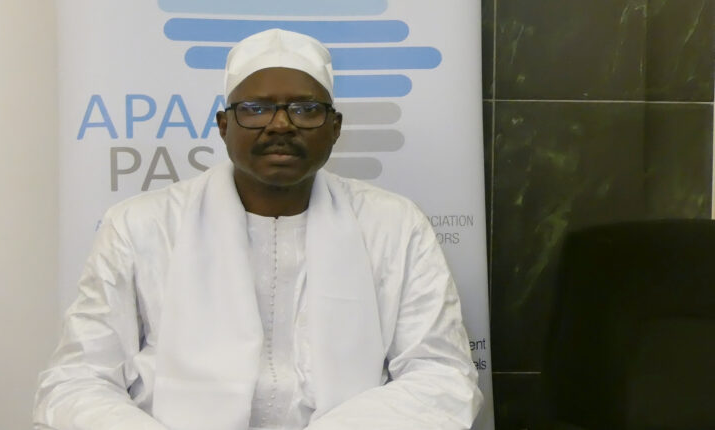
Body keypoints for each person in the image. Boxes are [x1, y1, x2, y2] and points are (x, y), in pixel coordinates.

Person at [34, 29, 483, 430]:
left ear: (335, 128)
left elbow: (441, 375)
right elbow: (77, 381)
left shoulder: (394, 225)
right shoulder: (140, 226)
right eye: (255, 109)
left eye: (305, 109)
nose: (280, 124)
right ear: (223, 126)